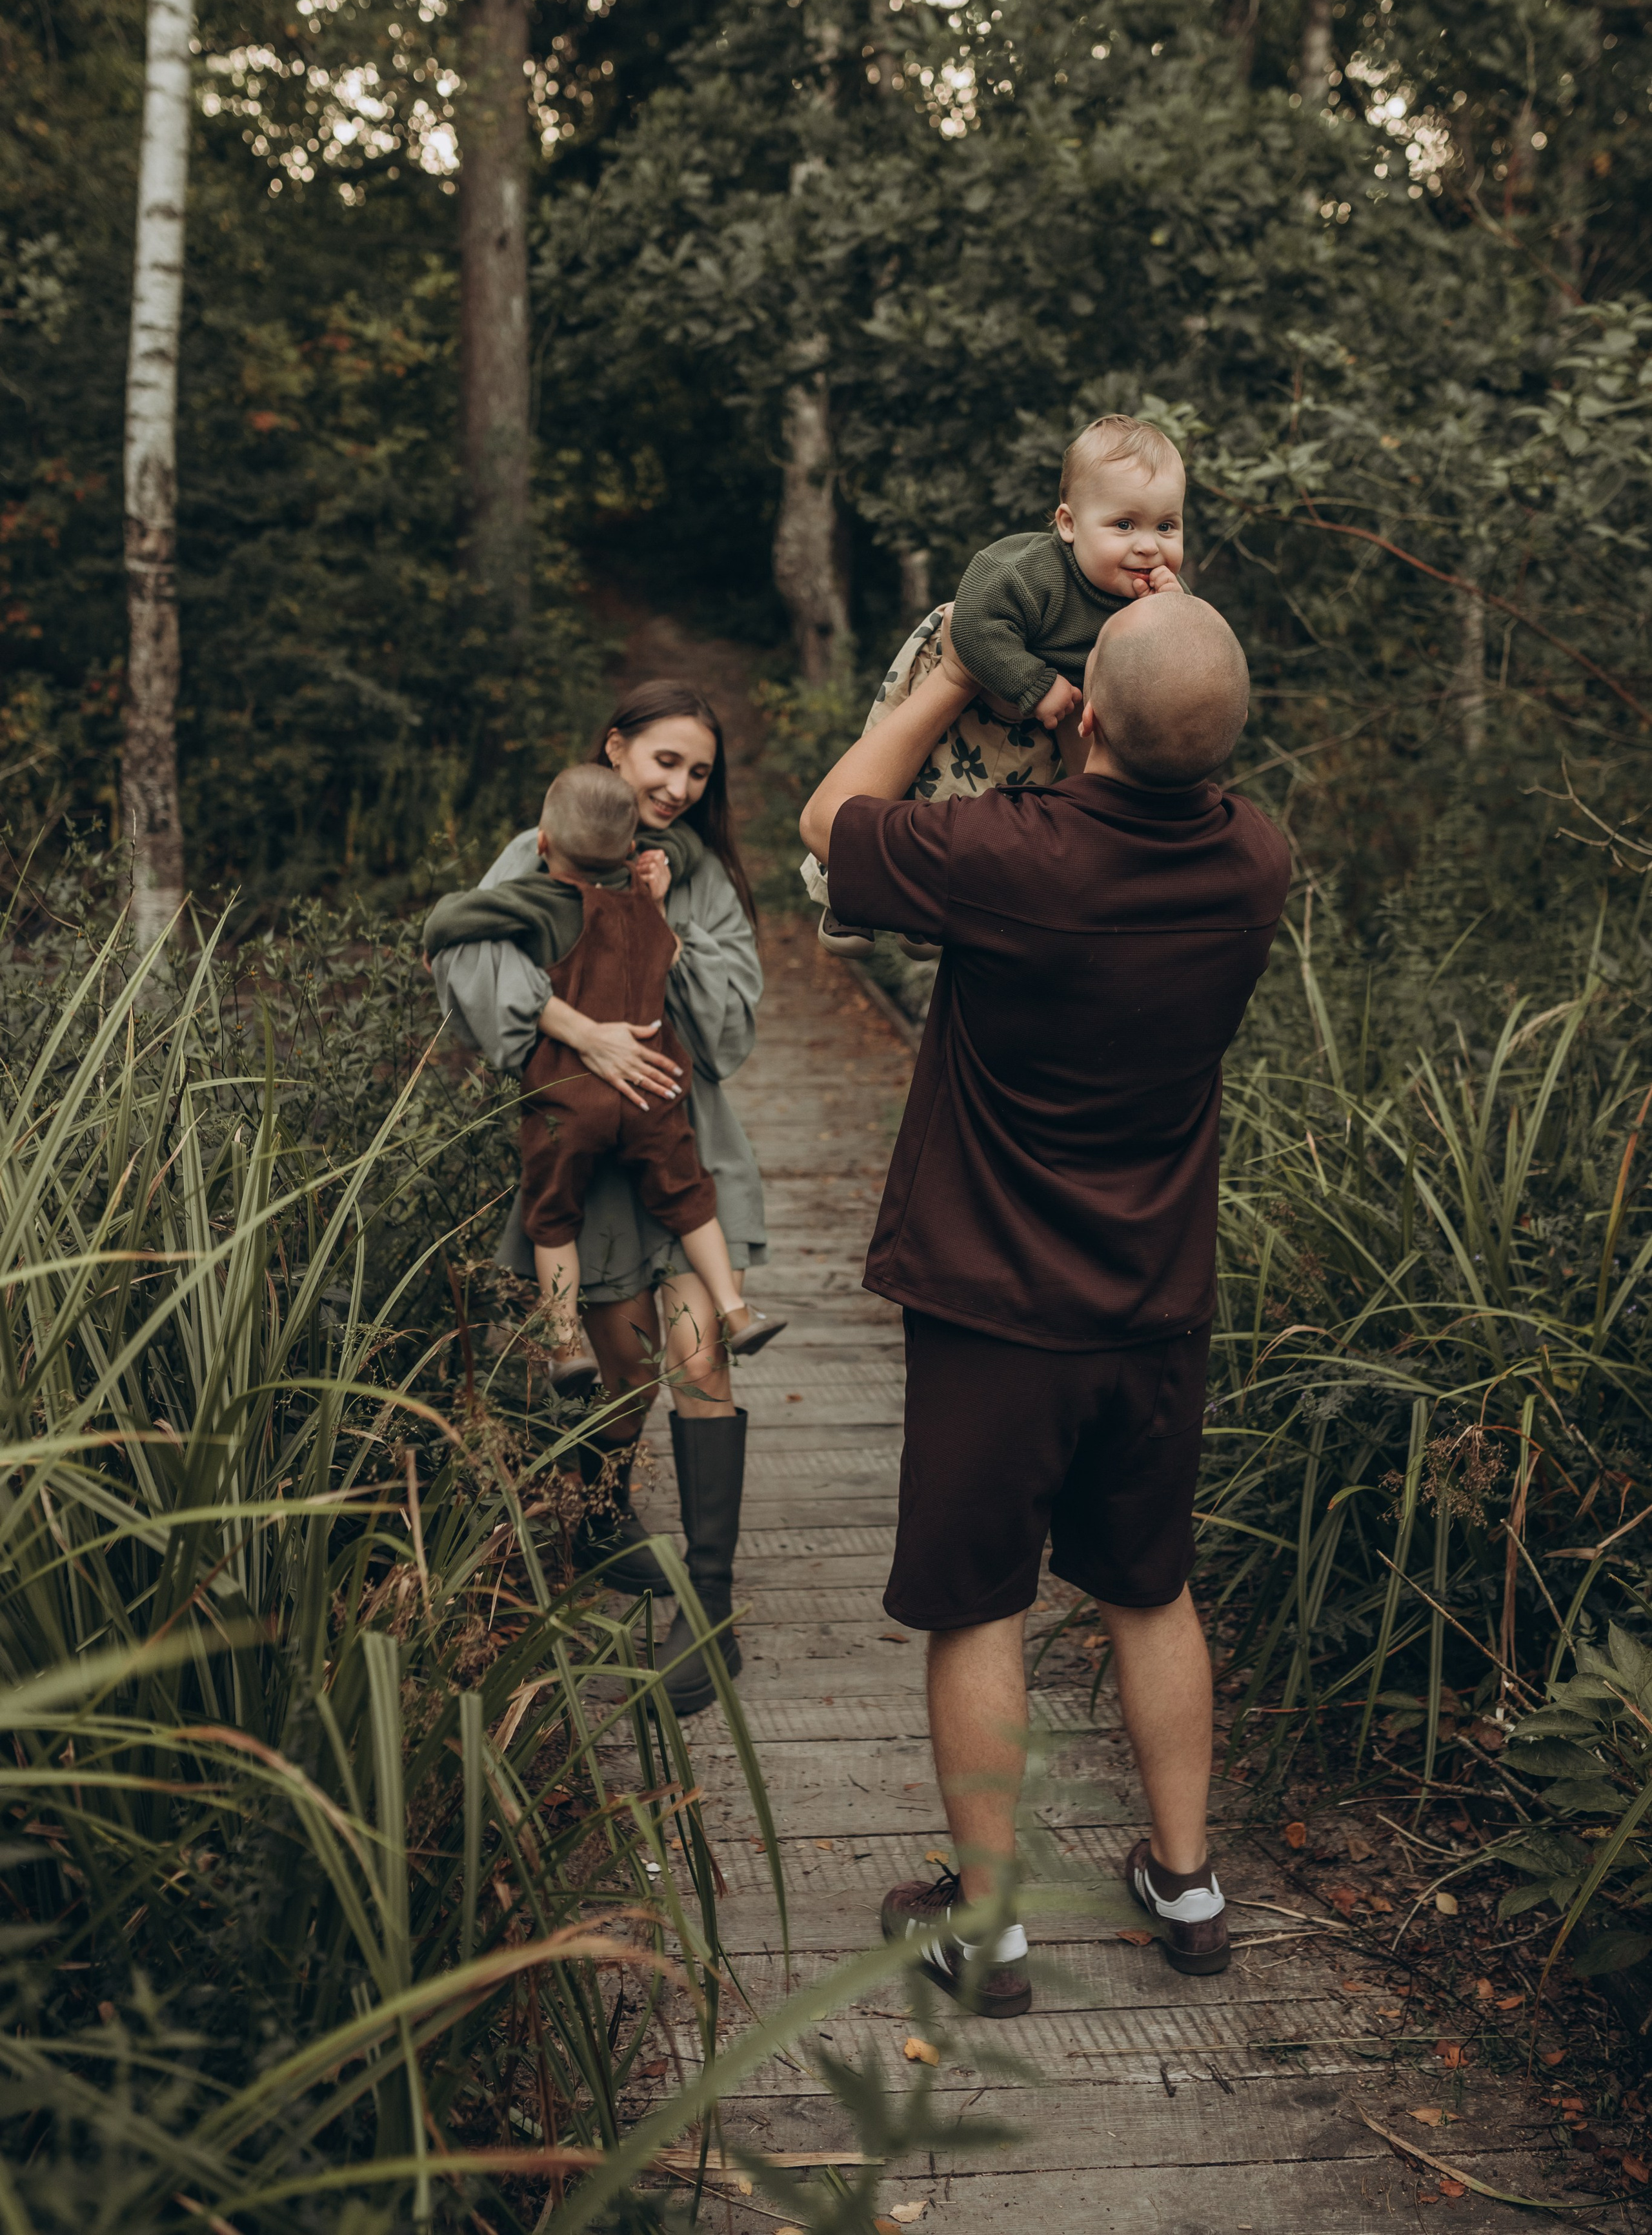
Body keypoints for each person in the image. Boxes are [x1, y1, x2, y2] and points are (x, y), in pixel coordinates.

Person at [799, 590, 1290, 2018]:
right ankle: (1186, 1886)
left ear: (1085, 713)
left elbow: (833, 821)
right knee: (1150, 1587)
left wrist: (958, 671)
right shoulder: (1255, 859)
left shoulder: (1014, 857)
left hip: (994, 1302)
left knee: (978, 1607)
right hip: (1156, 1300)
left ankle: (988, 1929)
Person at [430, 682, 769, 1717]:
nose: (681, 785)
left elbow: (730, 1028)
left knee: (699, 1361)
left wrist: (664, 926)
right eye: (666, 760)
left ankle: (708, 1611)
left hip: (684, 1142)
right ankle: (601, 1517)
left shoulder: (698, 877)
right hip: (588, 1156)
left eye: (700, 771)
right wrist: (584, 1032)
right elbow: (467, 956)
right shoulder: (539, 851)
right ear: (615, 749)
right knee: (623, 1372)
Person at [422, 764, 781, 1387]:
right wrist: (658, 895)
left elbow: (452, 920)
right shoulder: (645, 901)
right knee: (692, 1200)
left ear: (542, 844)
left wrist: (439, 935)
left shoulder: (537, 901)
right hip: (653, 1092)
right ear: (630, 848)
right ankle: (735, 1309)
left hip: (570, 1098)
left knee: (553, 1217)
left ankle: (566, 1345)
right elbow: (669, 950)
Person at [809, 414, 1186, 959]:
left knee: (979, 810)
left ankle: (923, 908)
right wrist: (1035, 682)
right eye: (1125, 525)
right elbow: (973, 624)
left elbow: (1185, 662)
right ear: (1069, 524)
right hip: (978, 669)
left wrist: (1172, 615)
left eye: (1167, 527)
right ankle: (844, 893)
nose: (1149, 547)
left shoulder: (1159, 593)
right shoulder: (1032, 570)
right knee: (906, 772)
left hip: (1038, 724)